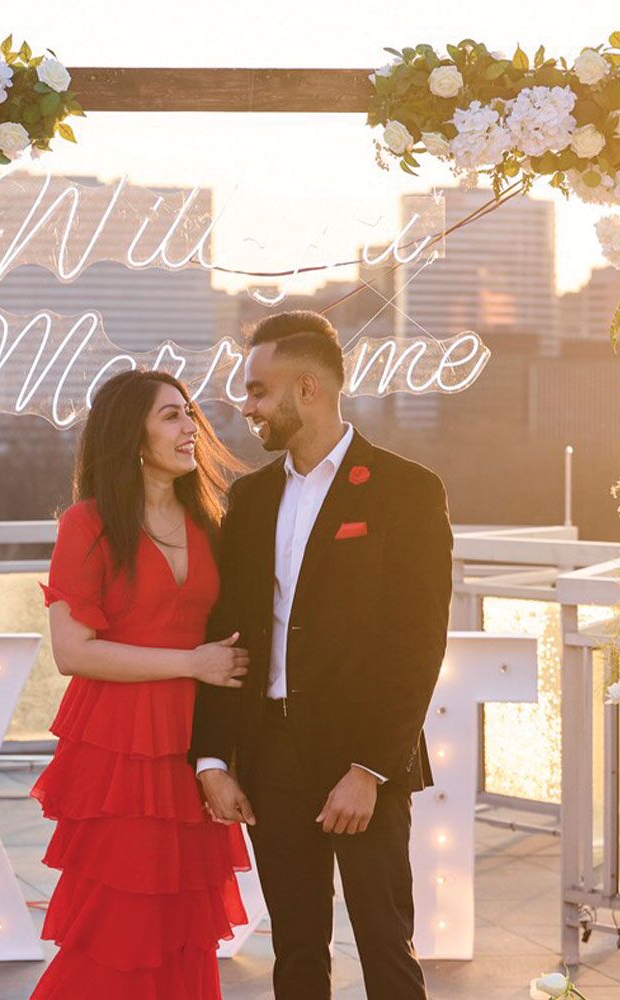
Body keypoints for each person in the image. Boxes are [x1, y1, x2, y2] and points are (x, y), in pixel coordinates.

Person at [191, 310, 454, 999]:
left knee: (385, 947)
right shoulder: (246, 500)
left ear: (306, 389)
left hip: (363, 762)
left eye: (256, 391)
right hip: (271, 758)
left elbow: (418, 643)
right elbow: (228, 636)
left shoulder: (408, 491)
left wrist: (369, 767)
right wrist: (213, 758)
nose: (245, 407)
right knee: (298, 953)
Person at [30, 368, 251, 999]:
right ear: (133, 436)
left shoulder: (212, 521)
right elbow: (72, 652)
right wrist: (191, 663)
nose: (191, 428)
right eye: (171, 416)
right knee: (118, 925)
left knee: (185, 926)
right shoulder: (87, 525)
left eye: (190, 414)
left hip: (194, 743)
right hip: (119, 749)